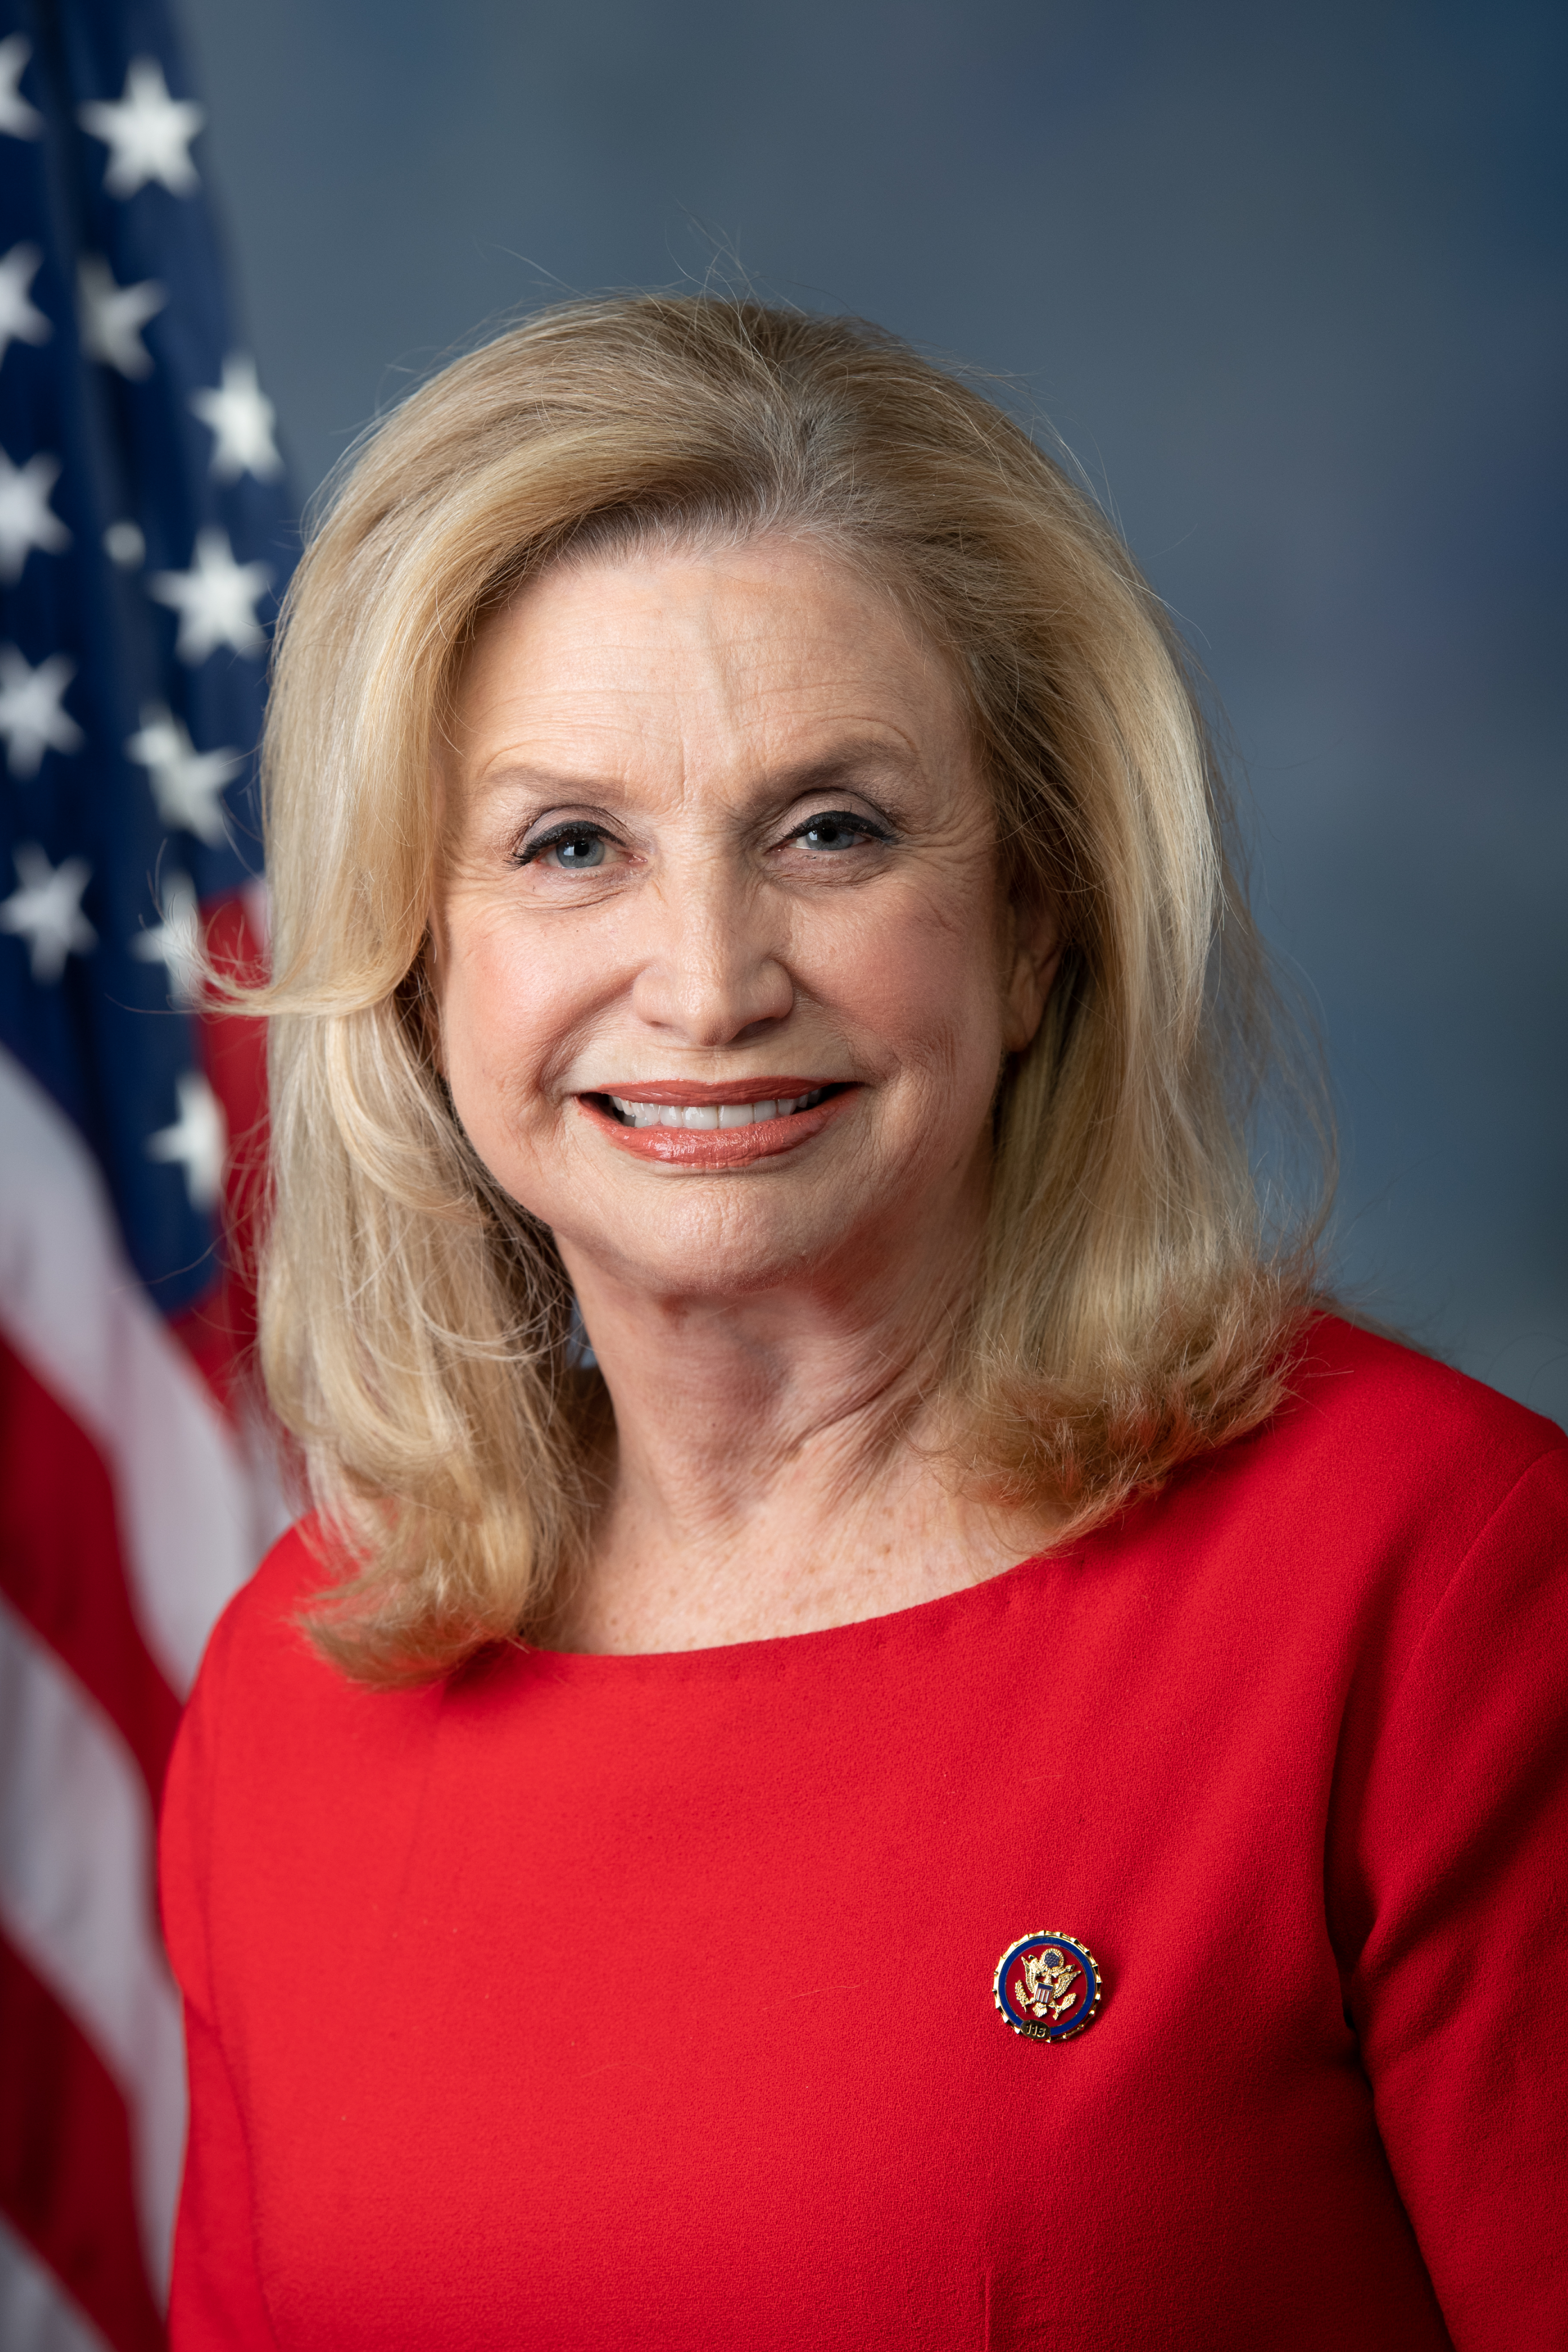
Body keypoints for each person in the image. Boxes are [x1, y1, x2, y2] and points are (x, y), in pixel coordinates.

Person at [159, 297, 1567, 2350]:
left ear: (1034, 923)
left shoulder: (1434, 1580)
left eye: (834, 830)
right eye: (572, 846)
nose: (710, 980)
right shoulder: (300, 1687)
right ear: (414, 963)